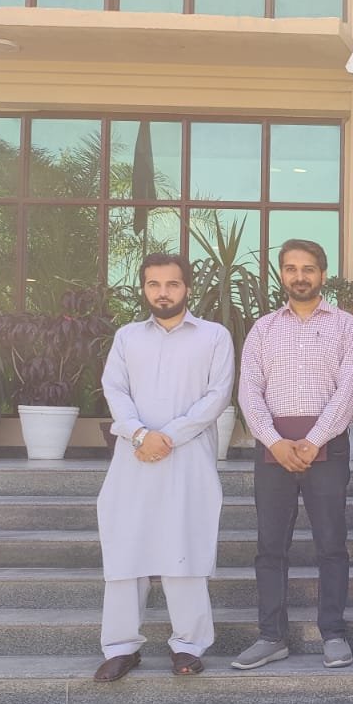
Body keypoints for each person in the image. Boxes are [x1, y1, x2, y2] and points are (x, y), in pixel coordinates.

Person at [94, 253, 233, 682]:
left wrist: (167, 436)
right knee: (125, 549)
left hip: (187, 459)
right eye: (153, 284)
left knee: (183, 549)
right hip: (133, 459)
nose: (163, 293)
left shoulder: (214, 336)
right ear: (144, 288)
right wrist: (140, 435)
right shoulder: (127, 337)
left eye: (172, 284)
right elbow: (114, 389)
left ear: (187, 287)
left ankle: (188, 646)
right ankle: (121, 648)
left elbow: (217, 396)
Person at [232, 238, 353, 670]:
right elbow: (249, 390)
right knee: (270, 546)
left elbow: (349, 389)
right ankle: (272, 636)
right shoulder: (263, 329)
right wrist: (273, 441)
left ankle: (334, 633)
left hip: (327, 449)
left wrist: (314, 440)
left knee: (332, 544)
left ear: (322, 274)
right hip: (274, 448)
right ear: (282, 275)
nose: (299, 276)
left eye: (308, 269)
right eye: (291, 269)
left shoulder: (346, 326)